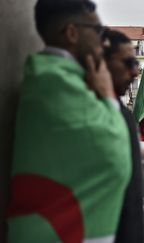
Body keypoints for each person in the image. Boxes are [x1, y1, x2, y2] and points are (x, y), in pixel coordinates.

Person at [7, 0, 132, 242]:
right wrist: (108, 98)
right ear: (72, 33)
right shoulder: (55, 81)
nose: (104, 42)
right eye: (98, 32)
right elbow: (115, 158)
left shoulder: (54, 75)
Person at [103, 29, 144, 242]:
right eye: (129, 62)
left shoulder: (114, 112)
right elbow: (123, 185)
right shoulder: (102, 115)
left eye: (137, 64)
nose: (135, 72)